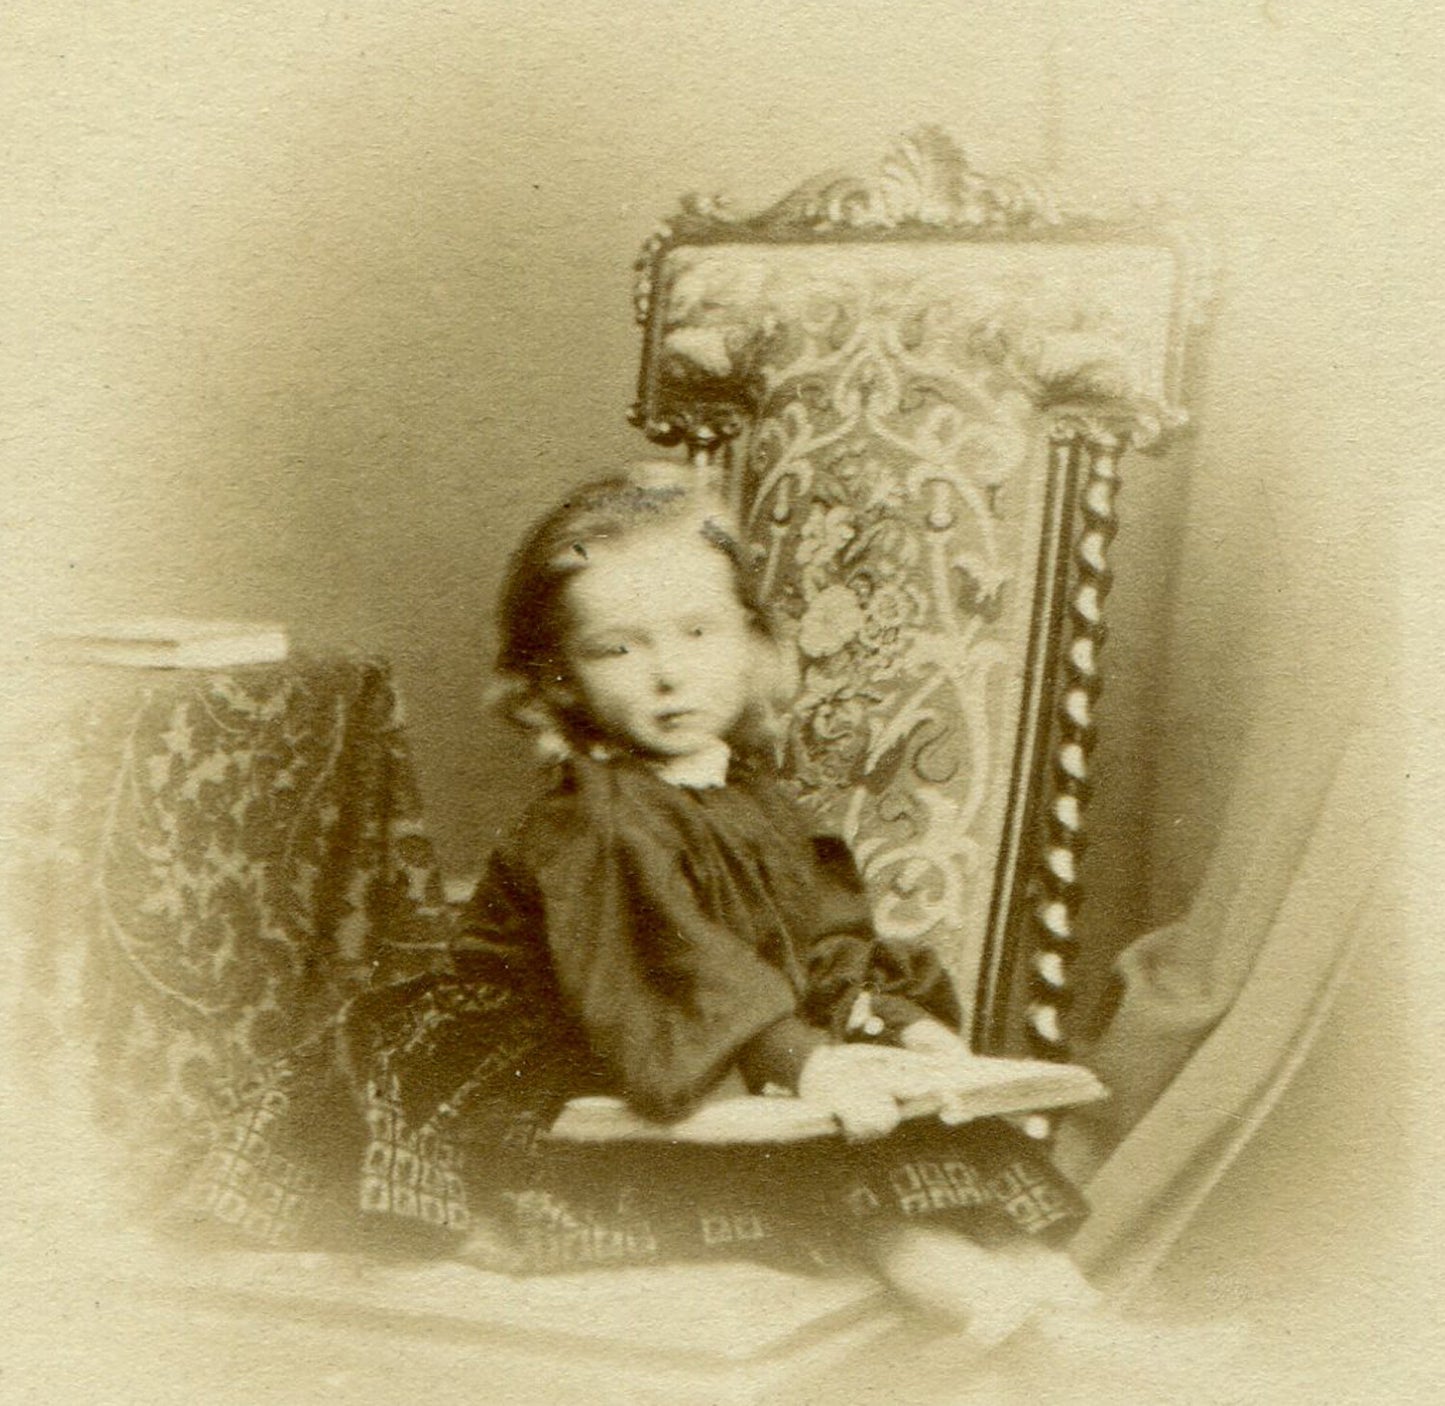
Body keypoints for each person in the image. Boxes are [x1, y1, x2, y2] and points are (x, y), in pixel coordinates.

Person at [173, 469, 1098, 1346]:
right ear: (560, 678)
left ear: (753, 641)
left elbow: (825, 942)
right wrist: (802, 1063)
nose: (668, 674)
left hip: (707, 1031)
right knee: (832, 1177)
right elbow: (675, 961)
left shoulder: (754, 798)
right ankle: (993, 1321)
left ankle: (1064, 1306)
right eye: (617, 647)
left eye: (698, 633)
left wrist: (893, 1024)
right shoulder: (594, 818)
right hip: (580, 1042)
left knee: (942, 1148)